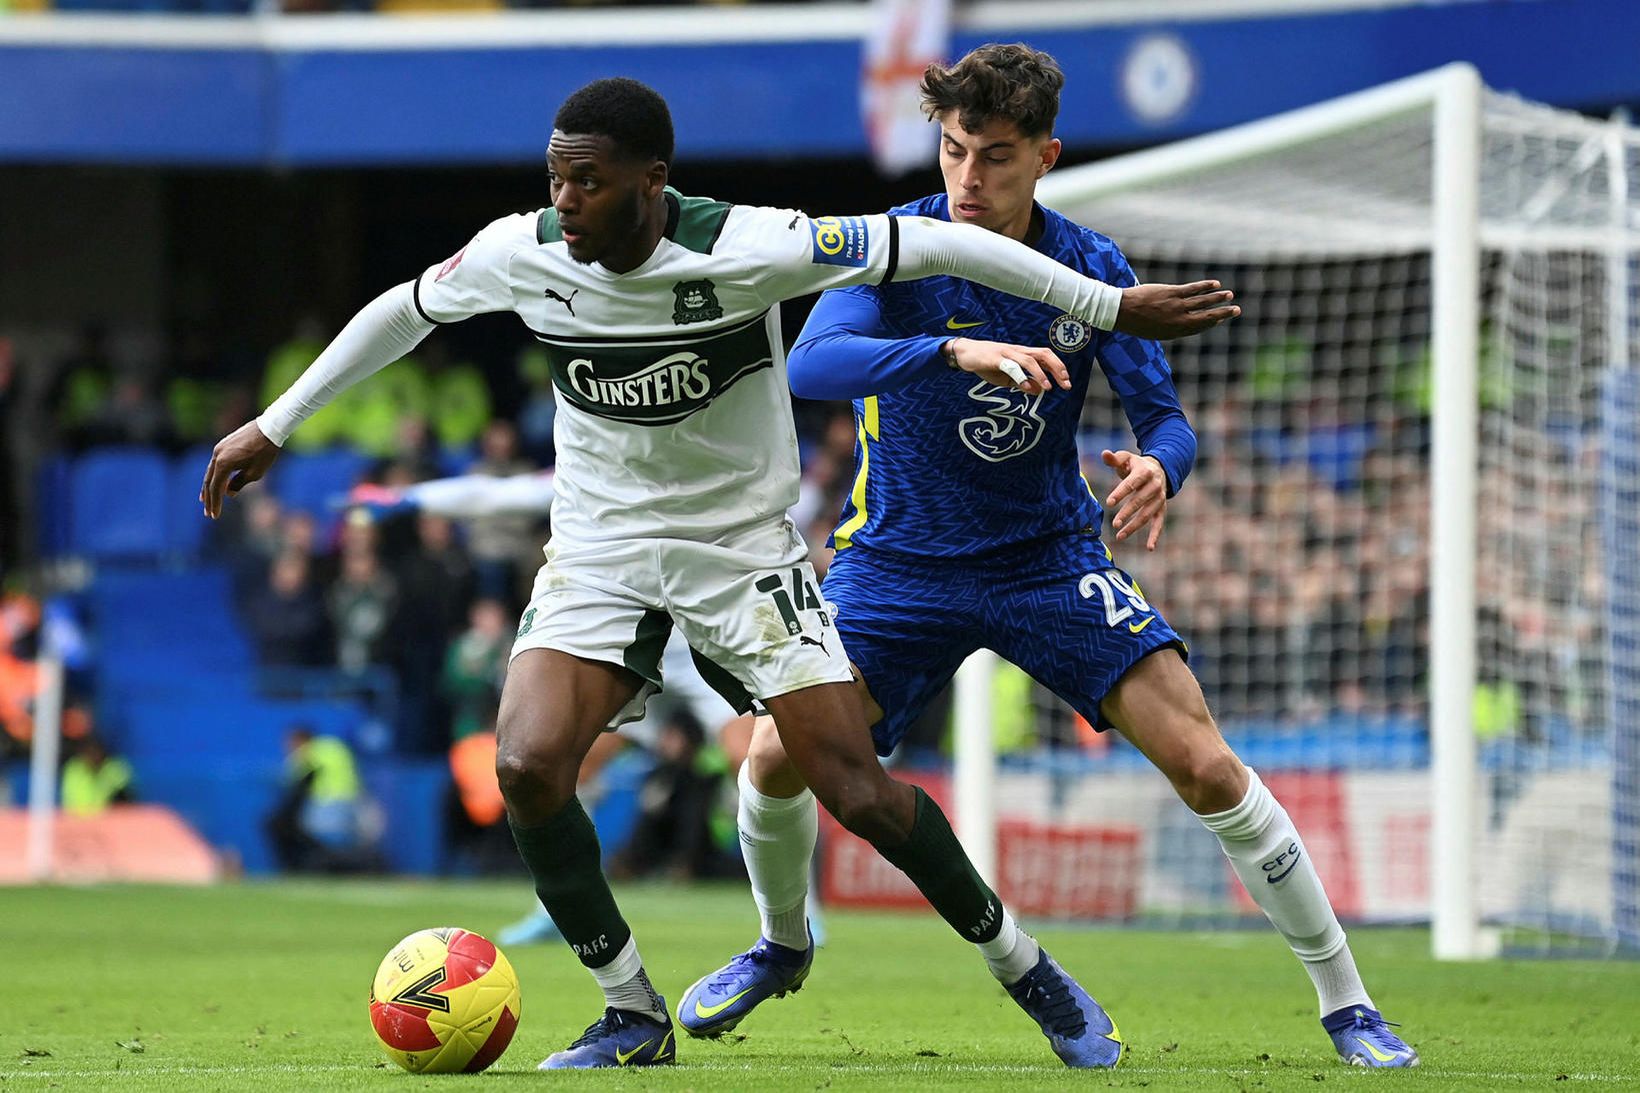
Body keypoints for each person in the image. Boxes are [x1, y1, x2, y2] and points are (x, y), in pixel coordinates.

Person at [199, 76, 1235, 1071]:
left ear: (652, 182)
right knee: (525, 766)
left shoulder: (753, 245)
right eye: (557, 177)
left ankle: (1027, 969)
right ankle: (627, 1010)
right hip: (601, 546)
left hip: (739, 549)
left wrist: (1100, 306)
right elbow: (405, 309)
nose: (565, 202)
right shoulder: (523, 251)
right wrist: (274, 424)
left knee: (853, 787)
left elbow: (929, 239)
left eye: (589, 181)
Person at [680, 45, 1418, 1070]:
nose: (966, 180)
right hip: (896, 561)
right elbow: (809, 361)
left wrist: (1159, 468)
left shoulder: (1088, 267)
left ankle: (1347, 1003)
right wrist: (952, 348)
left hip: (1044, 558)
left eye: (993, 157)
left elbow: (1166, 421)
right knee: (772, 754)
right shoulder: (897, 252)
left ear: (1044, 157)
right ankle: (779, 942)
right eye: (950, 153)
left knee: (1205, 765)